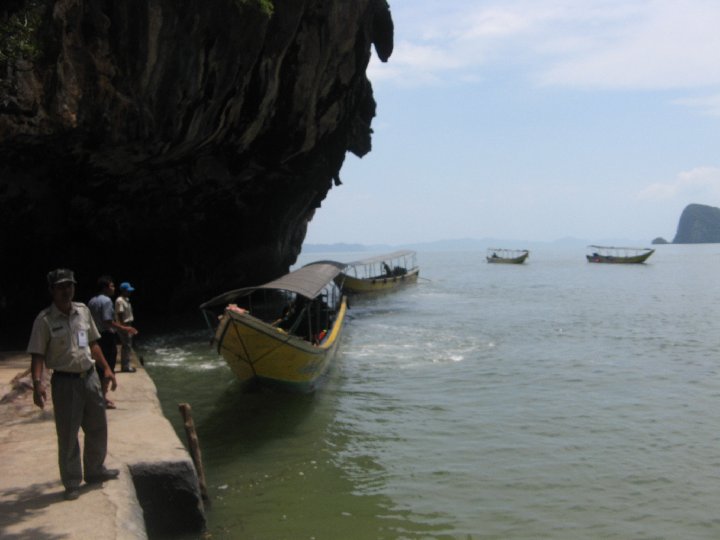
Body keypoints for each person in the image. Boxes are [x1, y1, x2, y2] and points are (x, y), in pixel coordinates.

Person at [27, 268, 120, 501]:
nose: (66, 290)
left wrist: (107, 369)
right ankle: (71, 481)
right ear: (52, 290)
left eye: (69, 285)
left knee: (98, 426)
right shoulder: (44, 320)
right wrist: (37, 384)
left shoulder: (82, 311)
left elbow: (93, 343)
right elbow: (37, 355)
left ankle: (95, 470)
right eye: (60, 286)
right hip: (65, 382)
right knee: (68, 433)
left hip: (89, 377)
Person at [88, 276, 137, 408]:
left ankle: (98, 396)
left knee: (98, 366)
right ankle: (103, 398)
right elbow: (107, 321)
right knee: (108, 366)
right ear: (105, 287)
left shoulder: (92, 301)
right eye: (112, 286)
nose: (114, 288)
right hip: (106, 336)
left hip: (95, 336)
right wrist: (124, 328)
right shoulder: (107, 301)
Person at [114, 282, 138, 373]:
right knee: (126, 345)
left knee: (127, 345)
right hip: (124, 325)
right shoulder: (120, 300)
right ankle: (125, 366)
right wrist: (124, 327)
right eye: (128, 291)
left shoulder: (126, 299)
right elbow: (120, 314)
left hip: (128, 324)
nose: (129, 292)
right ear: (123, 291)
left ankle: (126, 365)